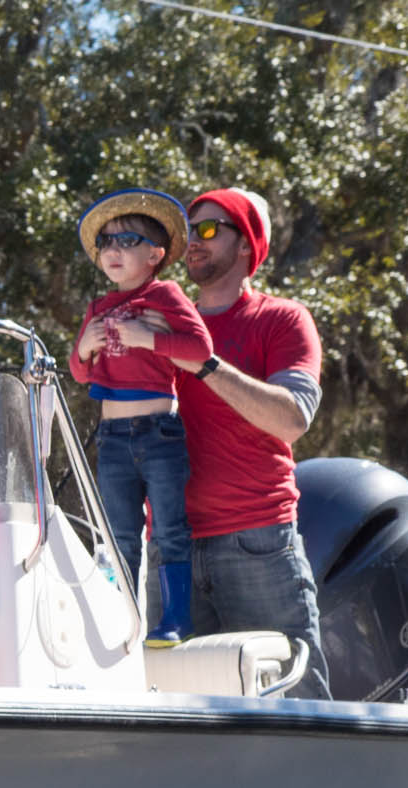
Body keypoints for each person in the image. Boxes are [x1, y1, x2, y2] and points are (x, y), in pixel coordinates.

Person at [142, 187, 332, 699]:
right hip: (168, 550)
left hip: (257, 542)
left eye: (208, 229)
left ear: (247, 244)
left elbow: (292, 419)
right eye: (189, 232)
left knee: (296, 707)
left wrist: (201, 363)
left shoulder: (283, 320)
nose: (194, 243)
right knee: (170, 715)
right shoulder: (161, 324)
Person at [68, 188, 214, 647]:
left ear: (155, 254)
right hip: (112, 437)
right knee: (119, 537)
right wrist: (86, 347)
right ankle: (123, 624)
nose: (113, 251)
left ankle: (173, 620)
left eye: (127, 241)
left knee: (169, 528)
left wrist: (147, 339)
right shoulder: (96, 308)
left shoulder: (166, 294)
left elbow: (201, 351)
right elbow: (78, 371)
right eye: (106, 243)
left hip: (159, 431)